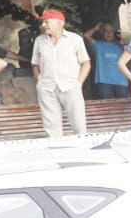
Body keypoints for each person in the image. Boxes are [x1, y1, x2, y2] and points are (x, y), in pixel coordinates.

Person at [30, 9, 91, 139]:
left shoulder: (75, 39)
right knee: (51, 127)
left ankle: (83, 149)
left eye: (46, 22)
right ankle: (56, 153)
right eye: (43, 23)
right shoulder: (39, 41)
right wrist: (39, 83)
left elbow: (86, 63)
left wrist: (78, 83)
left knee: (79, 124)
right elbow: (35, 64)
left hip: (70, 86)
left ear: (60, 23)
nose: (43, 25)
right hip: (47, 88)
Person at [90, 25, 129, 101]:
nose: (108, 33)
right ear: (102, 32)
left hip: (122, 81)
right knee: (108, 107)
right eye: (106, 31)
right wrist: (96, 28)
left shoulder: (121, 46)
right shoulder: (98, 45)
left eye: (111, 31)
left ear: (114, 33)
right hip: (104, 81)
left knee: (123, 107)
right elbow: (86, 35)